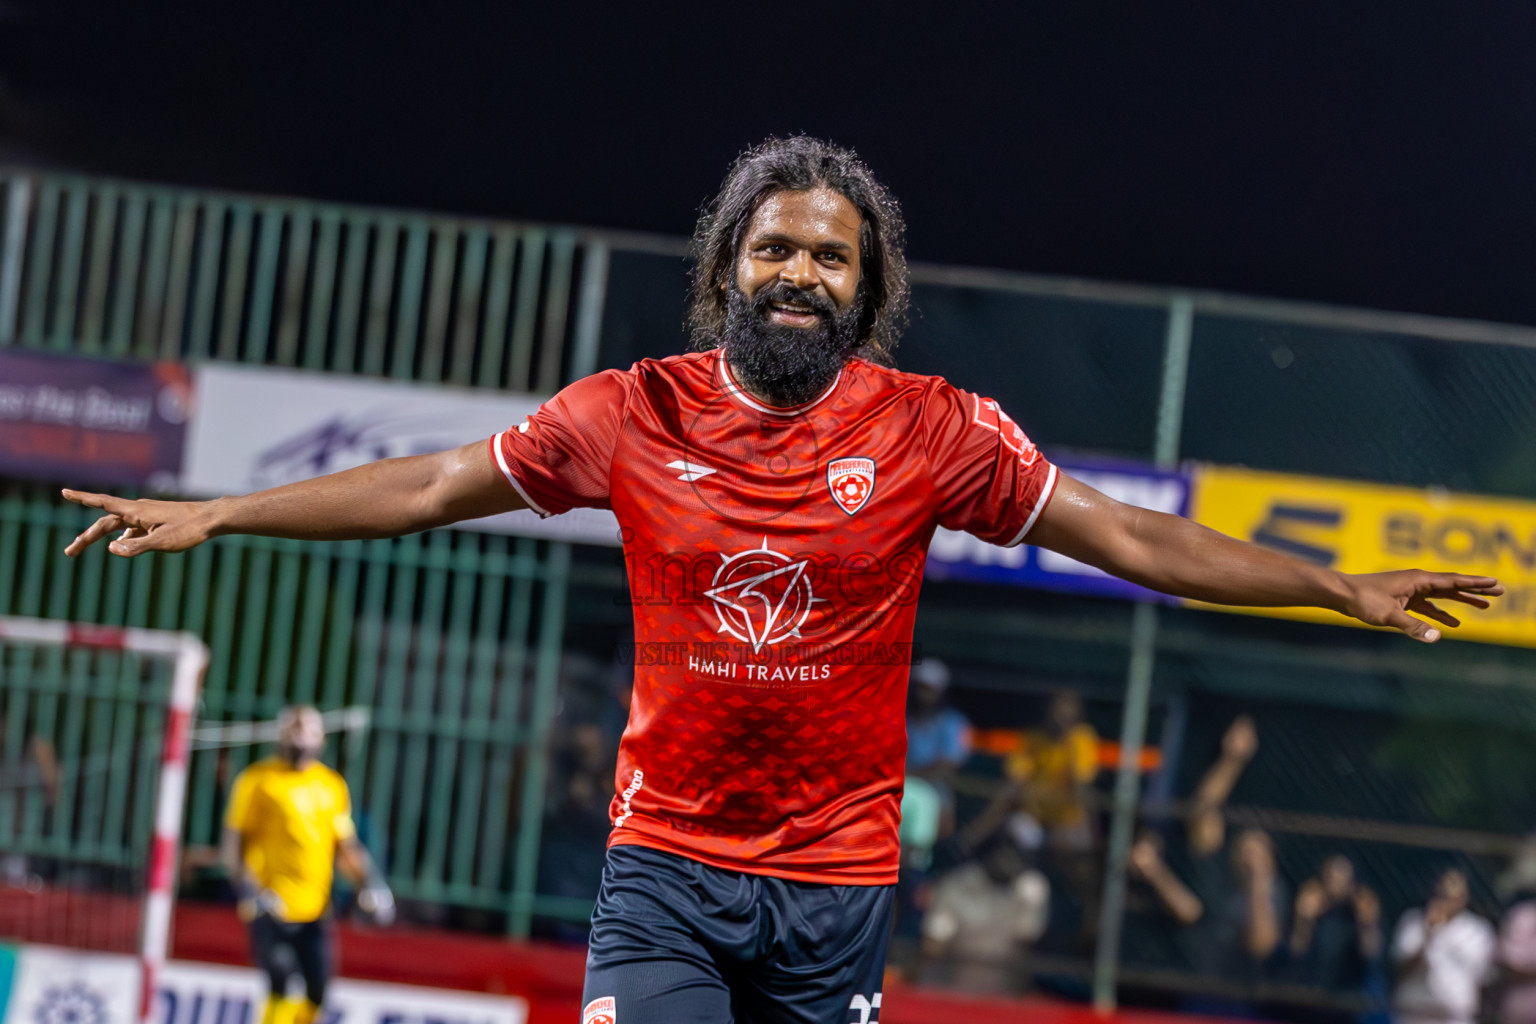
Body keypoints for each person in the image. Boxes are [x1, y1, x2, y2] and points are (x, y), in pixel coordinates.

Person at [60, 136, 1503, 1024]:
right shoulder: (628, 412)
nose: (800, 270)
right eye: (775, 247)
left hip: (836, 891)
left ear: (864, 291)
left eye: (830, 255)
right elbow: (433, 486)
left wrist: (1337, 586)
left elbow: (1136, 539)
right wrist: (225, 511)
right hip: (667, 874)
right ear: (728, 268)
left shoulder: (935, 429)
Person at [221, 706, 394, 1024]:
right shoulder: (257, 780)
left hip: (315, 909)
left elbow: (345, 846)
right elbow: (234, 845)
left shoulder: (331, 786)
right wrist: (249, 890)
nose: (301, 735)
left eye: (309, 729)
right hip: (270, 906)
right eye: (294, 728)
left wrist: (369, 884)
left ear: (322, 738)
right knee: (281, 984)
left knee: (318, 992)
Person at [1391, 868, 1495, 1024]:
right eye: (1443, 894)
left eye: (1455, 893)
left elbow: (1483, 980)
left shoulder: (1477, 930)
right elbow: (1401, 969)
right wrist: (1428, 934)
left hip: (1454, 1017)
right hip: (1414, 1013)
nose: (1448, 899)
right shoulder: (1413, 922)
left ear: (1464, 897)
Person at [1287, 854, 1383, 995]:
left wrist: (1367, 924)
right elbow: (1297, 951)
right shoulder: (1314, 910)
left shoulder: (1359, 912)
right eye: (1331, 876)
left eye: (1342, 877)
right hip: (1311, 990)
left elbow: (1371, 954)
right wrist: (1304, 920)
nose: (1337, 883)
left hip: (1349, 994)